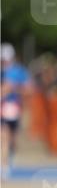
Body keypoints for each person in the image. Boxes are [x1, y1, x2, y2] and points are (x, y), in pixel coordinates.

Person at [1, 43, 32, 171]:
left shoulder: (20, 71)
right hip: (2, 107)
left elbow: (28, 89)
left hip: (15, 107)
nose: (4, 62)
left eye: (6, 59)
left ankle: (10, 156)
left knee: (13, 138)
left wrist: (14, 88)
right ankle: (3, 164)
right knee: (3, 135)